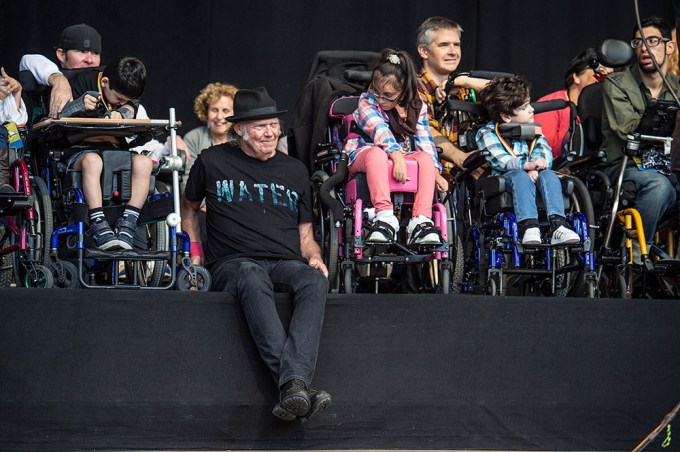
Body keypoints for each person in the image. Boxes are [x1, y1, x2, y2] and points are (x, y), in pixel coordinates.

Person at [180, 87, 332, 422]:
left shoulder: (294, 170)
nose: (271, 132)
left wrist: (314, 257)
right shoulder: (211, 160)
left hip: (284, 261)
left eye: (274, 126)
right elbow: (189, 209)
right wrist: (194, 256)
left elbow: (305, 233)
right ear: (239, 130)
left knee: (314, 280)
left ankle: (293, 387)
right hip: (232, 263)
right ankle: (297, 383)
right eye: (261, 126)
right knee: (251, 274)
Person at [19, 23, 168, 162]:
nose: (89, 59)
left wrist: (169, 146)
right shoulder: (51, 76)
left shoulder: (116, 87)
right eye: (81, 51)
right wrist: (58, 79)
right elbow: (28, 60)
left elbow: (148, 144)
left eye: (95, 53)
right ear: (61, 55)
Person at [344, 48, 448, 245]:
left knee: (425, 159)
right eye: (377, 91)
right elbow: (380, 131)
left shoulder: (418, 107)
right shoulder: (367, 101)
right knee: (376, 154)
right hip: (363, 151)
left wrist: (435, 173)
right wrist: (397, 156)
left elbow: (425, 141)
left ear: (403, 92)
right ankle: (384, 215)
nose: (381, 99)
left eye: (388, 95)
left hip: (401, 155)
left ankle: (421, 221)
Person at [600, 16, 679, 254]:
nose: (644, 47)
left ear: (670, 46)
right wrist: (671, 120)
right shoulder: (616, 83)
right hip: (625, 165)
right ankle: (637, 250)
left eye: (652, 40)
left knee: (664, 182)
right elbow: (629, 131)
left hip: (669, 165)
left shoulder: (677, 87)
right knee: (659, 186)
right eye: (638, 42)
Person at [60, 56, 153, 251]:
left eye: (127, 100)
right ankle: (98, 223)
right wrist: (78, 105)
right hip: (81, 150)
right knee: (93, 161)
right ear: (105, 82)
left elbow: (131, 106)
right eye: (119, 99)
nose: (122, 103)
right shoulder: (81, 81)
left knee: (144, 162)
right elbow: (59, 117)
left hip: (115, 150)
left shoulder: (127, 90)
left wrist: (125, 111)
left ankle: (128, 223)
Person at [475, 75, 581, 246]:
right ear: (506, 116)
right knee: (519, 176)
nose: (532, 109)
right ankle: (529, 226)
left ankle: (558, 226)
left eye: (529, 103)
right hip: (505, 177)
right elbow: (499, 160)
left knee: (548, 174)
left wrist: (537, 164)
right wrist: (526, 166)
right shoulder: (487, 133)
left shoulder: (534, 131)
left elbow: (544, 152)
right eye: (525, 107)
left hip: (534, 174)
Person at [415, 16, 489, 178]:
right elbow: (423, 129)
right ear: (423, 51)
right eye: (443, 45)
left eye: (456, 45)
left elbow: (515, 96)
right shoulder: (412, 87)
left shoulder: (465, 87)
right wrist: (462, 158)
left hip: (468, 185)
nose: (453, 52)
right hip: (432, 180)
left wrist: (465, 81)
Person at [535, 49, 612, 157]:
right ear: (576, 76)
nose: (605, 79)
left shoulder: (608, 107)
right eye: (600, 73)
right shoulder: (550, 106)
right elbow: (542, 152)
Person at [178, 82, 238, 191]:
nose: (219, 117)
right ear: (206, 112)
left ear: (235, 113)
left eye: (226, 111)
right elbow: (187, 181)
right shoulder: (194, 138)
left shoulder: (242, 140)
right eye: (214, 110)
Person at [0, 67, 28, 193]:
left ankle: (3, 182)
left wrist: (17, 92)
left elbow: (16, 121)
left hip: (10, 142)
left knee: (10, 127)